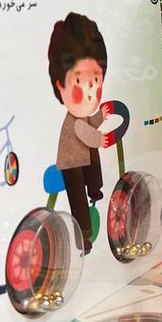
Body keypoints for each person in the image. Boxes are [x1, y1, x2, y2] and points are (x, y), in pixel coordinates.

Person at [47, 13, 109, 254]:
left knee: (93, 159)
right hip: (70, 162)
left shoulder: (83, 113)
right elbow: (84, 131)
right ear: (60, 86)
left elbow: (90, 122)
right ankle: (83, 234)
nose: (90, 92)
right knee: (78, 201)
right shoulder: (73, 120)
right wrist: (99, 138)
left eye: (95, 82)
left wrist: (101, 115)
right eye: (80, 84)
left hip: (83, 154)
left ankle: (95, 186)